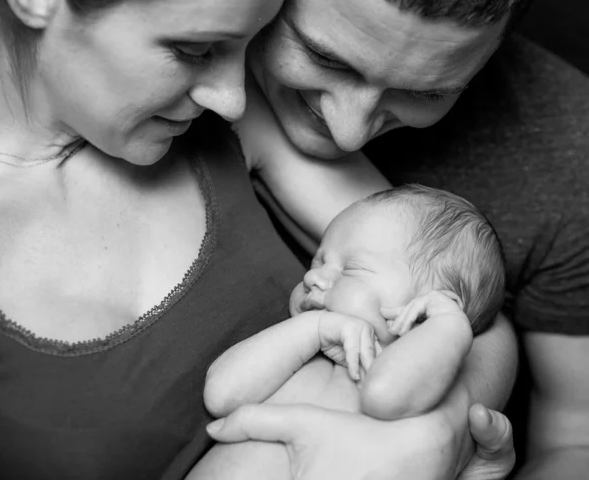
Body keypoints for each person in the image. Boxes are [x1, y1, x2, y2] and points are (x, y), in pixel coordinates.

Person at [0, 0, 512, 479]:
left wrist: (436, 432)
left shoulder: (227, 123)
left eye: (256, 37)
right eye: (195, 49)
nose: (234, 96)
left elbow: (471, 300)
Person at [207, 0, 589, 478]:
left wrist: (440, 431)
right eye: (325, 57)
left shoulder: (571, 156)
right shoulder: (189, 72)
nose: (348, 135)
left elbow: (575, 447)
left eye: (424, 92)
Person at [193, 184, 507, 479]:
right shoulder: (299, 352)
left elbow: (384, 395)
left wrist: (448, 325)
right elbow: (222, 395)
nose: (314, 276)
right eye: (317, 260)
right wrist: (312, 328)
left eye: (351, 269)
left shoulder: (408, 378)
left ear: (425, 311)